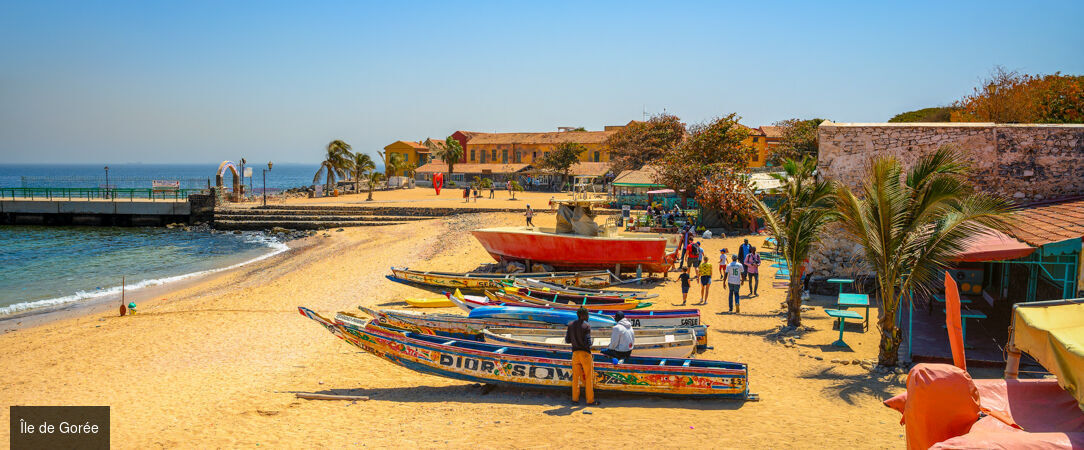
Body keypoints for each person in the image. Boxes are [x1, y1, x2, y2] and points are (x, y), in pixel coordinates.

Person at [564, 307, 597, 405]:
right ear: (583, 315)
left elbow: (567, 340)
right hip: (585, 354)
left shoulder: (570, 325)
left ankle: (575, 399)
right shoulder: (586, 326)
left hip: (575, 354)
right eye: (587, 314)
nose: (588, 316)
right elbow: (588, 342)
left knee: (575, 378)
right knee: (588, 377)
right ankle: (590, 400)